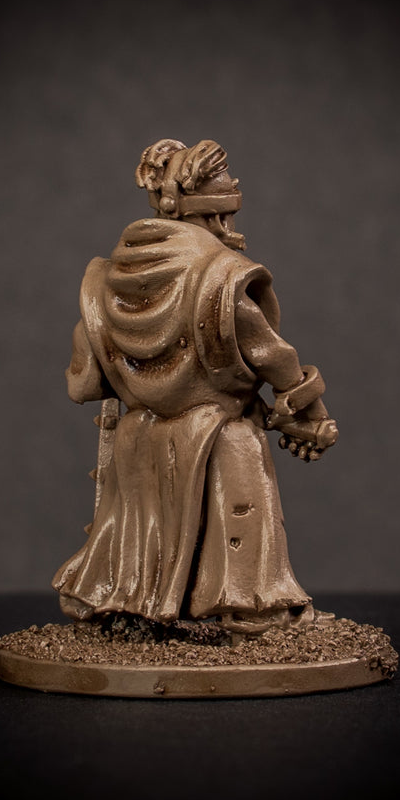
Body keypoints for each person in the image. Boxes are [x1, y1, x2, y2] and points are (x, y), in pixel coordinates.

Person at [53, 139, 338, 634]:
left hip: (137, 438)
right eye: (228, 211)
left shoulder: (106, 281)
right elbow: (274, 356)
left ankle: (127, 604)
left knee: (137, 531)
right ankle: (248, 610)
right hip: (218, 437)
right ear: (214, 213)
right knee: (237, 514)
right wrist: (309, 411)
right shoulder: (220, 277)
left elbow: (83, 384)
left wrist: (139, 378)